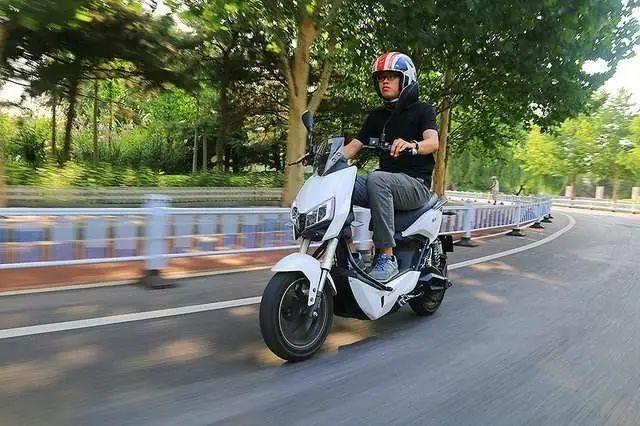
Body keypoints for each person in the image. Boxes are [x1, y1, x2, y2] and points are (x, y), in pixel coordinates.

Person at [340, 52, 440, 281]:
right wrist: (323, 158)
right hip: (384, 185)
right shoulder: (377, 116)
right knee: (343, 181)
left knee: (378, 178)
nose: (384, 81)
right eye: (380, 77)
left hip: (415, 186)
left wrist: (413, 145)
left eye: (391, 76)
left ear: (405, 79)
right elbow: (353, 147)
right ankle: (349, 250)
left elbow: (433, 142)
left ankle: (387, 256)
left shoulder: (423, 110)